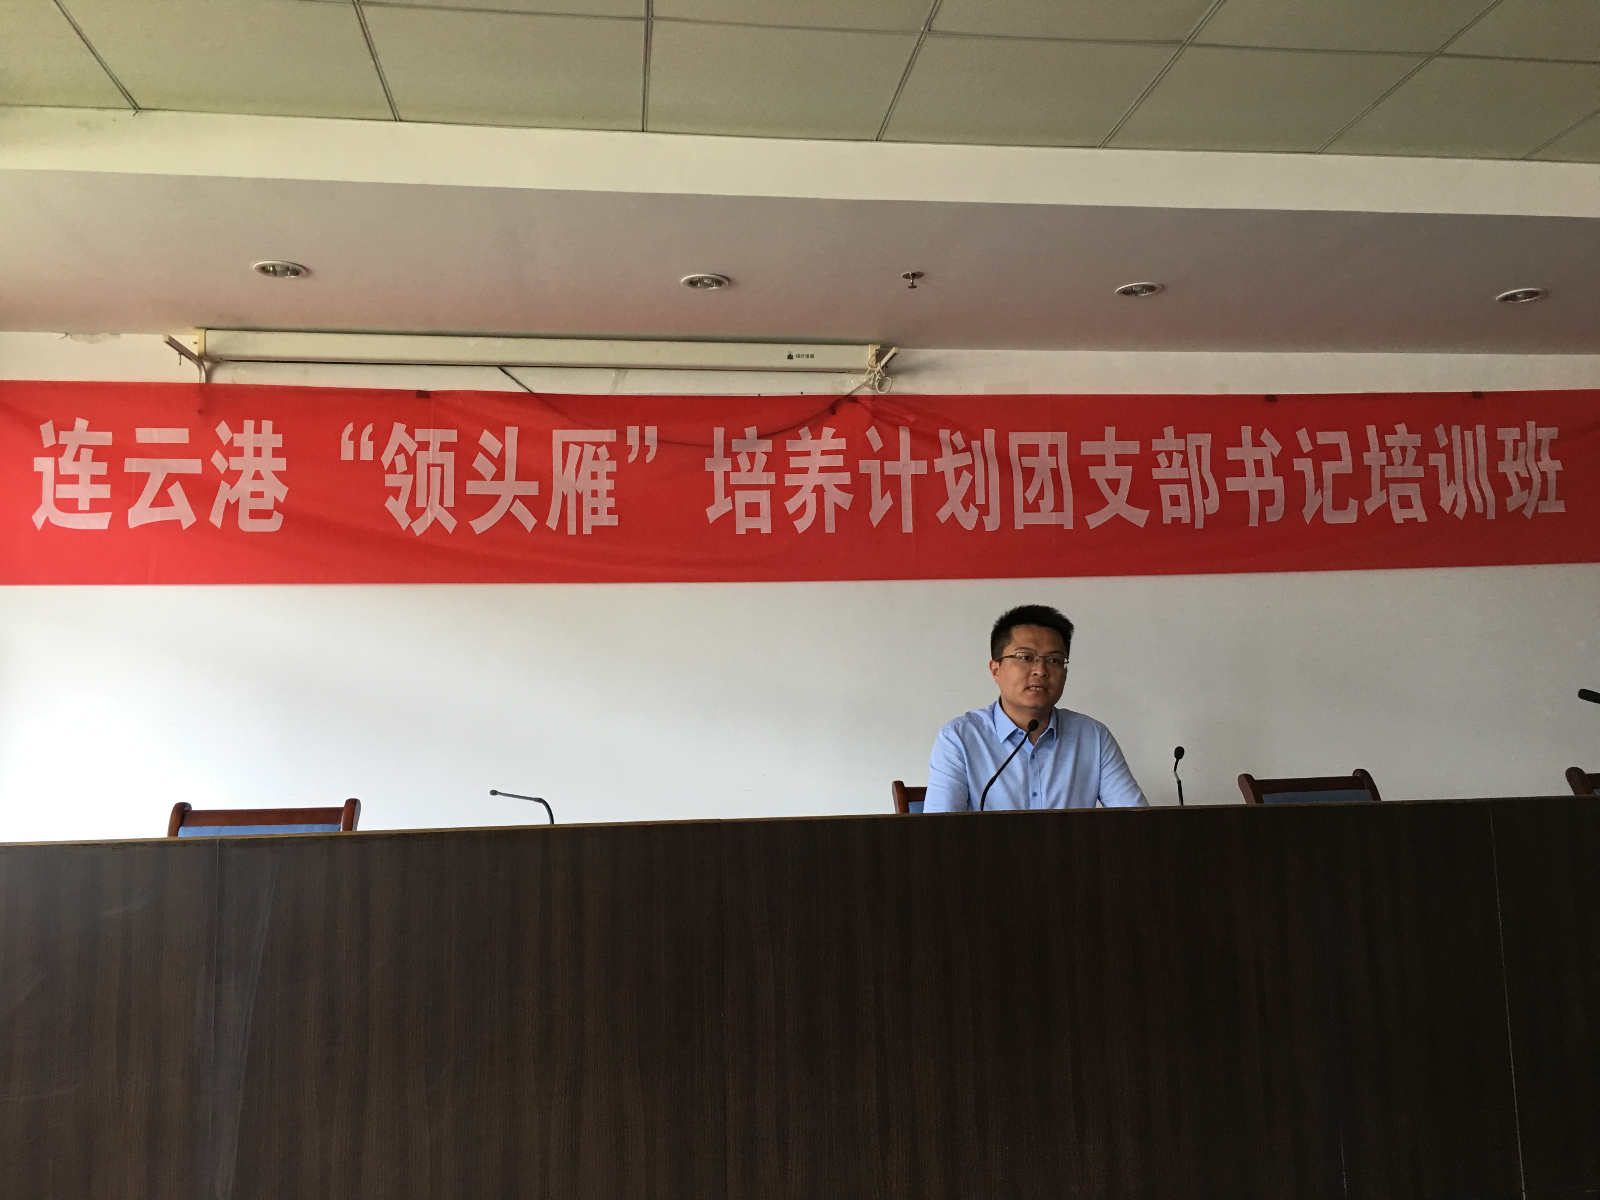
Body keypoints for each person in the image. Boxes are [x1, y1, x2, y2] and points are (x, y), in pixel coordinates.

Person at [924, 604, 1147, 811]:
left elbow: (1136, 820)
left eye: (1054, 660)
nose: (1041, 670)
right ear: (995, 670)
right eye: (1025, 657)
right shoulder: (959, 738)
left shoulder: (1092, 736)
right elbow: (939, 831)